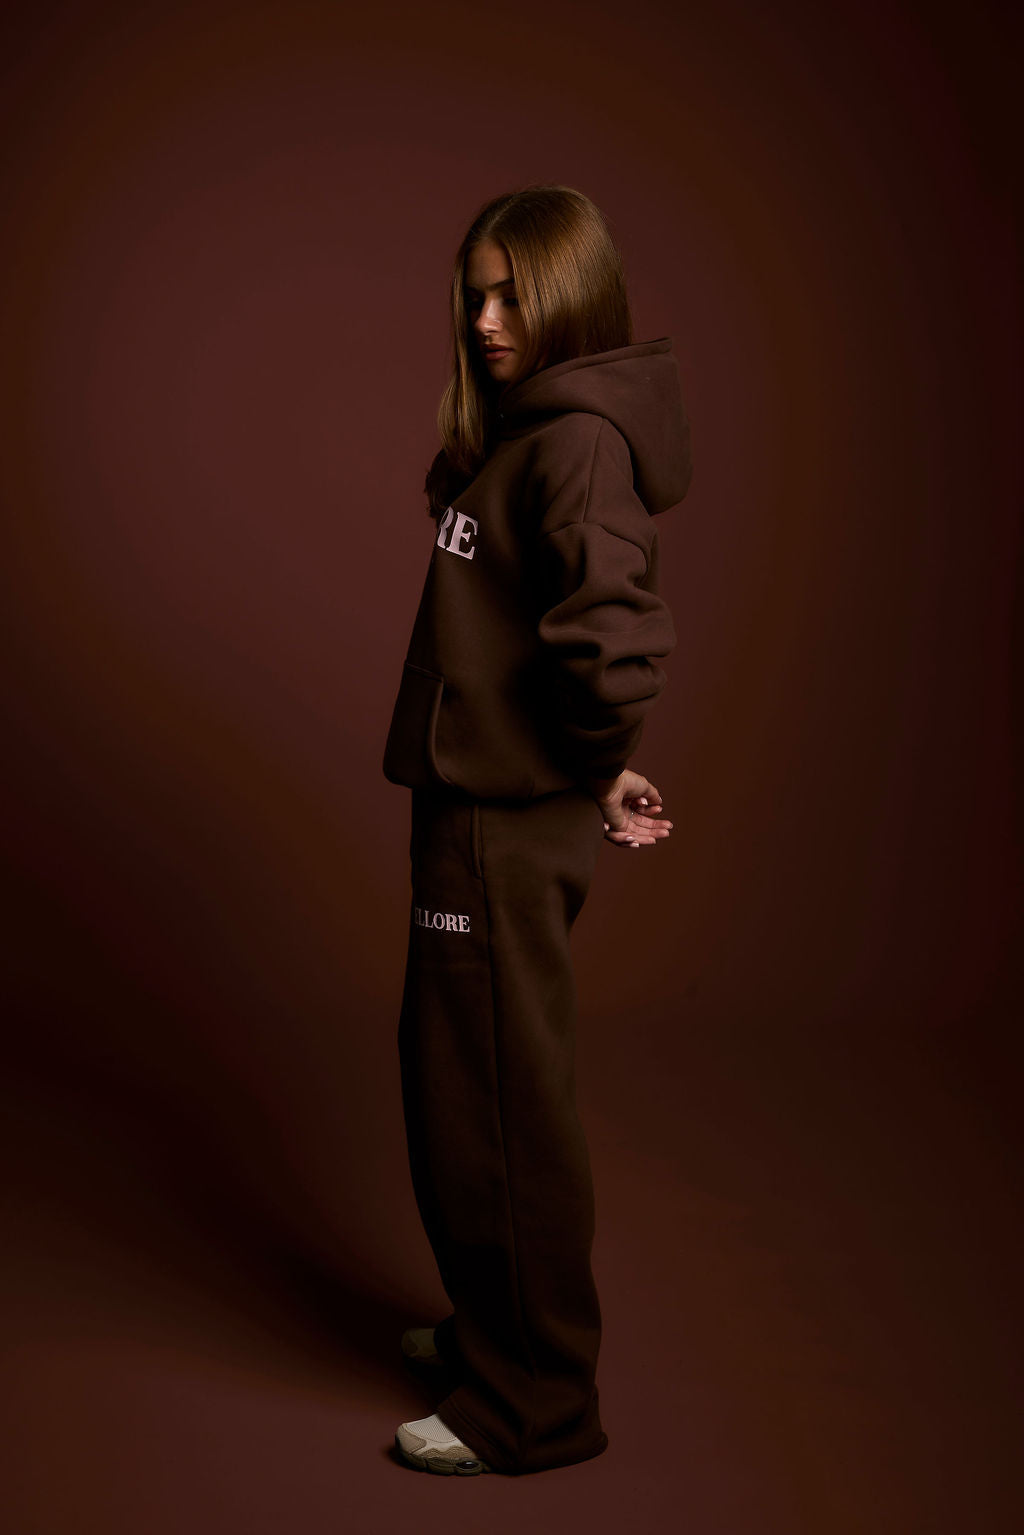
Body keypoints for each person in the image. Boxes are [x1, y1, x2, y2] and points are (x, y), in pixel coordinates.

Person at [381, 183, 693, 1477]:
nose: (487, 320)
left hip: (504, 827)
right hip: (476, 805)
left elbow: (613, 639)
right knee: (453, 1089)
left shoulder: (577, 447)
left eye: (514, 295)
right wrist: (601, 771)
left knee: (500, 1109)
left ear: (573, 297)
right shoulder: (526, 434)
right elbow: (529, 630)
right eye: (476, 295)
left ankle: (534, 1403)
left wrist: (592, 760)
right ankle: (492, 1336)